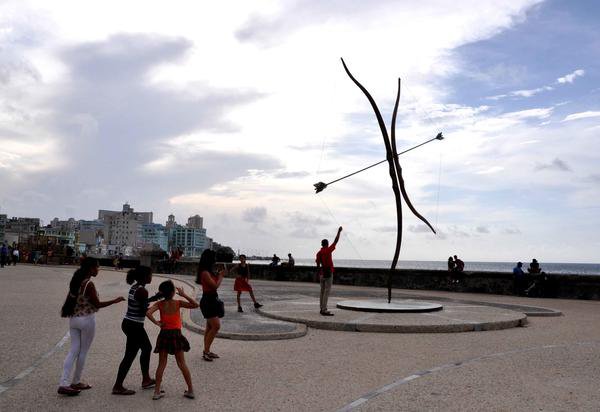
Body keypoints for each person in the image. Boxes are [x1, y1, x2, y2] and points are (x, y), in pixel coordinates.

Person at [58, 257, 125, 396]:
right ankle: (75, 381)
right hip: (86, 320)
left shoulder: (76, 281)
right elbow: (97, 304)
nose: (98, 270)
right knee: (83, 351)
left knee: (73, 350)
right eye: (97, 267)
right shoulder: (88, 284)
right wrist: (115, 301)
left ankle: (63, 382)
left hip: (74, 319)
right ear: (90, 268)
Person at [112, 266, 162, 395]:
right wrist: (157, 321)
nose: (151, 277)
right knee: (138, 352)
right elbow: (143, 309)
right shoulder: (142, 291)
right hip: (134, 325)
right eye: (150, 275)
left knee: (138, 351)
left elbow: (142, 302)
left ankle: (144, 379)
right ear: (145, 277)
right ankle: (120, 385)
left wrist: (155, 298)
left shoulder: (136, 288)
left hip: (129, 324)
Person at [147, 280, 198, 400]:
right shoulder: (178, 303)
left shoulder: (159, 304)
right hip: (176, 335)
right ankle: (190, 390)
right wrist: (184, 295)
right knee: (181, 363)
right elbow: (195, 305)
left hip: (164, 335)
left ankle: (156, 392)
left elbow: (148, 313)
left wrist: (157, 323)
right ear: (173, 292)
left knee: (162, 364)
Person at [196, 249, 226, 362]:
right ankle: (206, 352)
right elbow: (214, 286)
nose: (215, 260)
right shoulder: (205, 272)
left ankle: (207, 350)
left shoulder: (209, 271)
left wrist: (218, 274)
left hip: (212, 299)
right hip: (208, 300)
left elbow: (213, 284)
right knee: (216, 326)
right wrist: (221, 276)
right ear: (209, 259)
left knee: (209, 327)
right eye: (214, 258)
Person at [316, 227, 342, 316]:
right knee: (327, 291)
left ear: (321, 244)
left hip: (322, 273)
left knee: (322, 291)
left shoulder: (319, 253)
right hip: (328, 272)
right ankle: (324, 309)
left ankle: (321, 308)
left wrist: (319, 273)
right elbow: (336, 241)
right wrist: (339, 231)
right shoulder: (328, 250)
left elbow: (317, 264)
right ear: (327, 244)